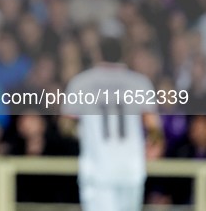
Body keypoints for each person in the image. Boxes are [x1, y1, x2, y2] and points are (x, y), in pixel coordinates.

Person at [62, 37, 163, 211]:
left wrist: (84, 133)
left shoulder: (81, 83)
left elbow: (66, 125)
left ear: (98, 53)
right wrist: (152, 148)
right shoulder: (139, 83)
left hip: (98, 171)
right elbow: (154, 127)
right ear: (122, 54)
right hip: (131, 170)